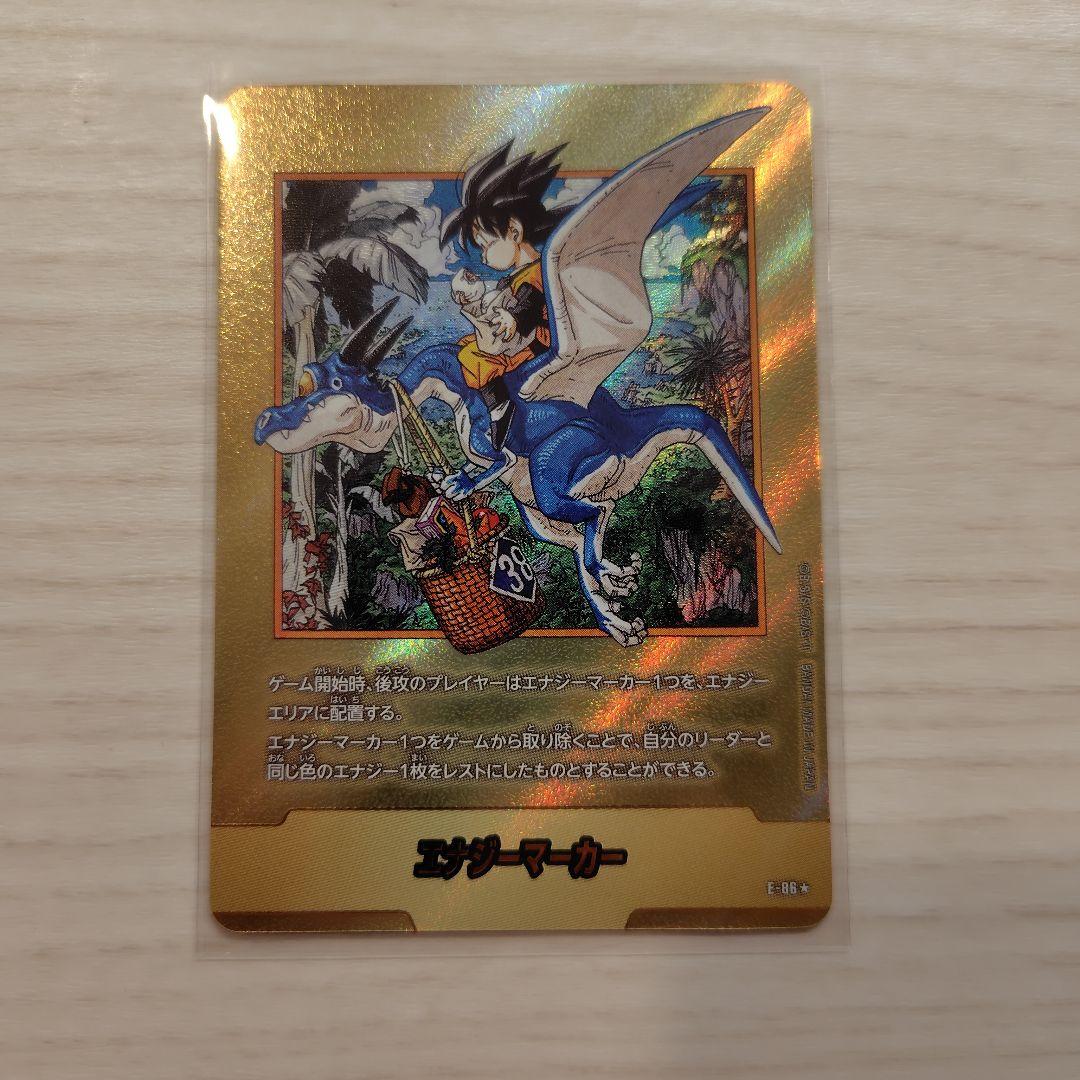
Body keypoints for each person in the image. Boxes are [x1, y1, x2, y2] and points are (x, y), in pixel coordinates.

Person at [440, 140, 576, 450]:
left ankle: (500, 407)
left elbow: (530, 303)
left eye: (487, 245)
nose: (484, 256)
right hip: (521, 336)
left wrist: (514, 319)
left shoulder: (535, 273)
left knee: (472, 356)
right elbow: (505, 301)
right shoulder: (516, 276)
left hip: (538, 344)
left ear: (514, 231)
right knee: (468, 344)